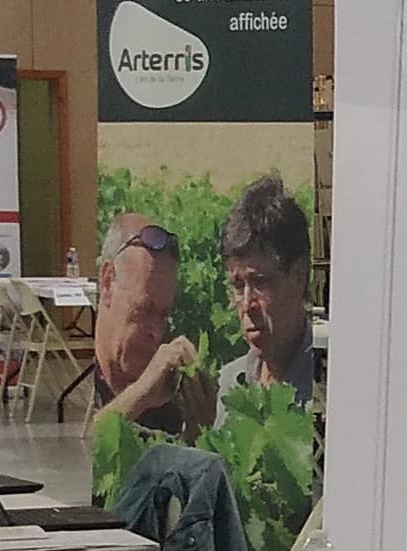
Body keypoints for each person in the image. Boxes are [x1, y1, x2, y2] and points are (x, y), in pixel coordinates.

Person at [90, 211, 218, 440]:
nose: (156, 332)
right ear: (108, 282)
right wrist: (140, 395)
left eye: (163, 315)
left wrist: (196, 431)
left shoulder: (166, 400)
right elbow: (78, 451)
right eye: (144, 310)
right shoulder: (72, 385)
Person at [213, 174, 318, 404]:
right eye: (239, 286)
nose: (247, 304)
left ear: (299, 275)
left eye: (260, 282)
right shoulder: (228, 388)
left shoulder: (327, 390)